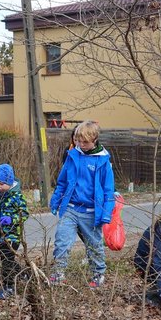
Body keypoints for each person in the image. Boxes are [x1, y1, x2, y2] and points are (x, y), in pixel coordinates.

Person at [48, 120, 115, 288]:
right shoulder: (73, 156)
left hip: (92, 212)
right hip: (70, 208)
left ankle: (98, 274)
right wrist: (56, 200)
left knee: (94, 246)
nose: (81, 144)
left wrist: (106, 213)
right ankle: (58, 273)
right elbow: (62, 181)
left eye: (85, 142)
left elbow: (108, 191)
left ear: (95, 140)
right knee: (62, 240)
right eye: (78, 141)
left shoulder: (103, 161)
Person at [0, 163, 29, 299]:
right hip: (1, 235)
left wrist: (11, 219)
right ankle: (24, 273)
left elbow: (24, 213)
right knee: (7, 258)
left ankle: (9, 287)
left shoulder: (16, 196)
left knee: (7, 261)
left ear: (9, 182)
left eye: (2, 184)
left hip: (13, 235)